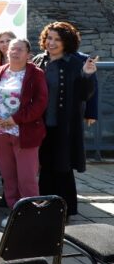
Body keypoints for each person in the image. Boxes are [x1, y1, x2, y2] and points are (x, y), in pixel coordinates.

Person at [32, 21, 98, 216]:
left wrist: (87, 76)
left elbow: (87, 94)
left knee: (63, 165)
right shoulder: (39, 60)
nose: (51, 43)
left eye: (57, 39)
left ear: (66, 41)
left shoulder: (80, 61)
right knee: (45, 165)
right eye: (49, 38)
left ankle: (66, 209)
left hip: (65, 123)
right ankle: (45, 206)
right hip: (41, 123)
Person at [0, 38, 48, 223]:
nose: (14, 52)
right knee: (8, 175)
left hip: (24, 132)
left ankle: (34, 216)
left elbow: (40, 103)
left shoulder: (36, 73)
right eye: (11, 49)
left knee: (27, 176)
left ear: (28, 54)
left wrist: (16, 119)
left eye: (19, 49)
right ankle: (14, 212)